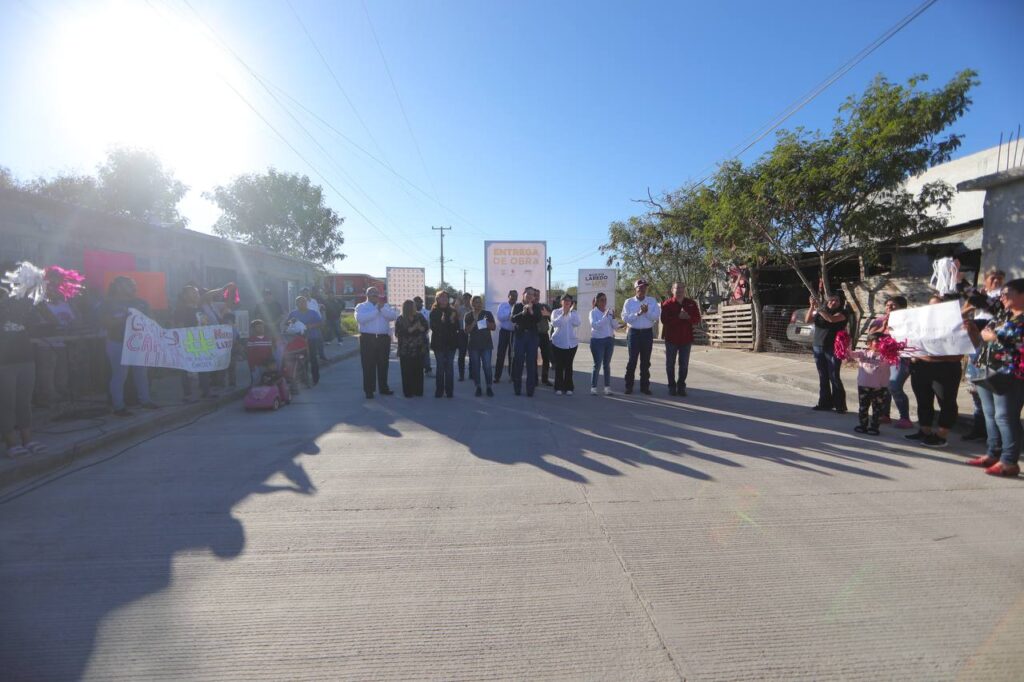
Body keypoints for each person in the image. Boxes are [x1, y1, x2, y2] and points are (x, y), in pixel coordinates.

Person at [965, 279, 1024, 477]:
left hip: (1011, 373)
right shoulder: (1003, 311)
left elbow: (1017, 343)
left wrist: (995, 337)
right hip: (986, 368)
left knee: (1005, 417)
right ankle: (993, 453)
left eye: (1008, 293)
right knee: (990, 414)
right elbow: (981, 300)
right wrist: (957, 280)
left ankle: (1009, 461)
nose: (1003, 296)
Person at [904, 296, 962, 448]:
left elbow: (958, 354)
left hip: (946, 370)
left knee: (946, 402)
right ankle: (925, 430)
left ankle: (941, 435)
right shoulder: (921, 325)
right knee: (923, 400)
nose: (933, 310)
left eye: (938, 306)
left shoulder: (955, 325)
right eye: (931, 306)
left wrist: (927, 357)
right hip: (921, 368)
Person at [100, 276, 158, 416]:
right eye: (130, 285)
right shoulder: (109, 304)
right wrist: (124, 317)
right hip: (118, 343)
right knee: (120, 375)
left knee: (141, 373)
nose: (134, 287)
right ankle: (118, 406)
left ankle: (145, 400)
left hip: (139, 343)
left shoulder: (141, 303)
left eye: (134, 284)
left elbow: (152, 321)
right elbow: (107, 324)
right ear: (119, 286)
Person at [1, 284, 47, 457]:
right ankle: (11, 443)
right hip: (4, 362)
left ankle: (27, 440)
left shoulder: (23, 306)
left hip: (25, 357)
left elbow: (38, 323)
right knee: (6, 403)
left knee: (24, 401)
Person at [961, 269, 1005, 441]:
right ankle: (980, 430)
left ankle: (996, 439)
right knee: (976, 393)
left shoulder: (1001, 303)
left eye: (1000, 279)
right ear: (985, 281)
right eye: (993, 278)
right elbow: (963, 314)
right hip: (977, 347)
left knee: (995, 396)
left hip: (995, 354)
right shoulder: (979, 299)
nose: (996, 281)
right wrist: (972, 305)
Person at [872, 296, 914, 429]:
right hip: (883, 359)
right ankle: (885, 415)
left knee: (894, 385)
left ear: (902, 307)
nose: (889, 308)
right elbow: (871, 337)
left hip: (901, 358)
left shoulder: (910, 322)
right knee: (884, 386)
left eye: (893, 305)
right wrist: (883, 327)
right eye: (887, 305)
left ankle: (905, 418)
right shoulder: (879, 320)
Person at [806, 292, 849, 413]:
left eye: (836, 300)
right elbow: (807, 319)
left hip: (833, 348)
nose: (833, 302)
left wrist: (818, 308)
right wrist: (812, 306)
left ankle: (840, 405)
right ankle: (824, 403)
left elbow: (831, 319)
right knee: (823, 376)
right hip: (818, 346)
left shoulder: (843, 312)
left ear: (840, 302)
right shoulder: (821, 311)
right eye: (831, 300)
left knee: (834, 375)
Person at [354, 287, 397, 399]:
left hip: (383, 339)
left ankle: (383, 388)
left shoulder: (385, 306)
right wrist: (376, 310)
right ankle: (369, 390)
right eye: (372, 293)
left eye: (376, 294)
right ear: (367, 295)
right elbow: (361, 319)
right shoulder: (361, 306)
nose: (374, 295)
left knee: (383, 364)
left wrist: (382, 309)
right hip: (368, 339)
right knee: (368, 365)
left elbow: (392, 316)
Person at [660, 282, 701, 397]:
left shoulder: (691, 303)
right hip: (671, 339)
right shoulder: (667, 304)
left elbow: (697, 319)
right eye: (677, 289)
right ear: (672, 290)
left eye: (681, 289)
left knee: (684, 365)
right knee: (670, 364)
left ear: (685, 290)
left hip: (686, 339)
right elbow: (664, 320)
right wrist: (678, 317)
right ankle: (672, 386)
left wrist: (688, 317)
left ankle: (681, 386)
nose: (679, 291)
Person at [174, 285, 214, 402]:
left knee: (204, 366)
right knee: (186, 370)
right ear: (185, 296)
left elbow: (204, 324)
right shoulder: (180, 310)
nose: (196, 295)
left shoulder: (200, 309)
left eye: (197, 293)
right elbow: (179, 327)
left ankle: (206, 391)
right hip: (188, 343)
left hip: (201, 343)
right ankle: (188, 394)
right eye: (193, 293)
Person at [846, 332, 890, 435]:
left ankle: (874, 427)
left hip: (880, 387)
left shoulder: (887, 355)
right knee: (863, 407)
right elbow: (850, 354)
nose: (880, 343)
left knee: (877, 409)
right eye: (877, 341)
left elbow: (898, 356)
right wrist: (847, 344)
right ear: (869, 343)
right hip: (863, 386)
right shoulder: (863, 353)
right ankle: (863, 425)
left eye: (883, 341)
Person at [622, 279, 660, 395]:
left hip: (647, 333)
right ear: (636, 289)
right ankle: (629, 386)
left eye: (644, 287)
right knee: (632, 361)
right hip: (634, 333)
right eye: (640, 287)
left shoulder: (652, 301)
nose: (642, 289)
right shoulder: (629, 302)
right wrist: (638, 313)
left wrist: (646, 312)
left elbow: (656, 317)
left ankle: (645, 387)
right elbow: (625, 318)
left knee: (645, 361)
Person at [511, 288, 545, 396]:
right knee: (518, 363)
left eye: (532, 294)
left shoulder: (536, 307)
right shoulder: (517, 306)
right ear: (523, 294)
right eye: (528, 294)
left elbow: (538, 319)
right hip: (520, 337)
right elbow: (512, 319)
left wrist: (530, 311)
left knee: (531, 364)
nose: (530, 296)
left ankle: (530, 390)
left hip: (532, 337)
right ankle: (517, 389)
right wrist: (523, 312)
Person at [285, 296, 323, 387]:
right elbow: (287, 323)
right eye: (300, 302)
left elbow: (320, 323)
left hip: (312, 338)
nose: (302, 304)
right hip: (298, 340)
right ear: (296, 304)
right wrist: (291, 323)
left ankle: (315, 378)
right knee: (301, 359)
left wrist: (310, 326)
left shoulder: (313, 313)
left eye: (304, 302)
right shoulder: (293, 313)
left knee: (313, 358)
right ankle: (304, 379)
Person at [395, 300, 429, 397]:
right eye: (413, 306)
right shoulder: (400, 319)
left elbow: (426, 328)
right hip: (406, 350)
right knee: (406, 372)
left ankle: (418, 391)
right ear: (408, 308)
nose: (415, 307)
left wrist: (421, 328)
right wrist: (413, 328)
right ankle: (408, 392)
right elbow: (398, 333)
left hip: (419, 348)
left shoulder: (420, 316)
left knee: (418, 371)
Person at [429, 292, 460, 398]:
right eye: (442, 297)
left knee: (450, 368)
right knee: (440, 368)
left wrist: (452, 320)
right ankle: (439, 390)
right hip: (439, 344)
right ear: (437, 299)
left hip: (451, 343)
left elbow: (457, 327)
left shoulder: (453, 311)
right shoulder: (434, 311)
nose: (444, 299)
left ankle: (449, 391)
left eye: (446, 297)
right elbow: (434, 328)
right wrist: (442, 322)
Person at [465, 295, 496, 397]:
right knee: (476, 367)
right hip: (473, 346)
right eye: (476, 302)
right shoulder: (468, 315)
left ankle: (489, 387)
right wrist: (474, 323)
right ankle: (478, 386)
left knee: (487, 366)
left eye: (480, 302)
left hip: (486, 345)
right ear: (472, 303)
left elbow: (493, 327)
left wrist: (486, 323)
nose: (478, 304)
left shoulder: (487, 314)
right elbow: (466, 331)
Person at [550, 294, 581, 395]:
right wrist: (564, 314)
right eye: (565, 300)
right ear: (561, 302)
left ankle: (569, 387)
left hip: (571, 344)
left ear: (571, 303)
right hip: (558, 343)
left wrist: (569, 313)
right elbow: (555, 323)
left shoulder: (575, 313)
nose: (567, 302)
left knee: (569, 366)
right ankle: (558, 387)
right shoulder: (555, 312)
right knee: (559, 366)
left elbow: (577, 323)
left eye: (569, 300)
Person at [589, 292, 617, 395]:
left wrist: (613, 318)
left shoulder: (609, 312)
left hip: (609, 340)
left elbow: (615, 326)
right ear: (596, 301)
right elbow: (595, 325)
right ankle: (593, 387)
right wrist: (605, 317)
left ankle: (607, 387)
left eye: (605, 300)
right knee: (597, 365)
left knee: (607, 365)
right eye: (601, 300)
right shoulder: (593, 312)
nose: (604, 302)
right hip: (597, 341)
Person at [494, 289, 517, 382]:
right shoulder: (502, 305)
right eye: (513, 296)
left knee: (512, 355)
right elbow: (500, 318)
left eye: (516, 296)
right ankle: (497, 377)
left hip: (514, 333)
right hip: (504, 332)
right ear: (508, 296)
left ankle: (511, 376)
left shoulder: (518, 306)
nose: (514, 298)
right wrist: (510, 314)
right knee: (501, 354)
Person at [414, 296, 432, 376]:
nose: (418, 304)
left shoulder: (427, 312)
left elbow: (429, 324)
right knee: (415, 354)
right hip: (413, 337)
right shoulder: (410, 312)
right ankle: (416, 370)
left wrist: (424, 330)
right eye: (416, 302)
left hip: (424, 336)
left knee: (426, 354)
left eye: (420, 302)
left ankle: (428, 370)